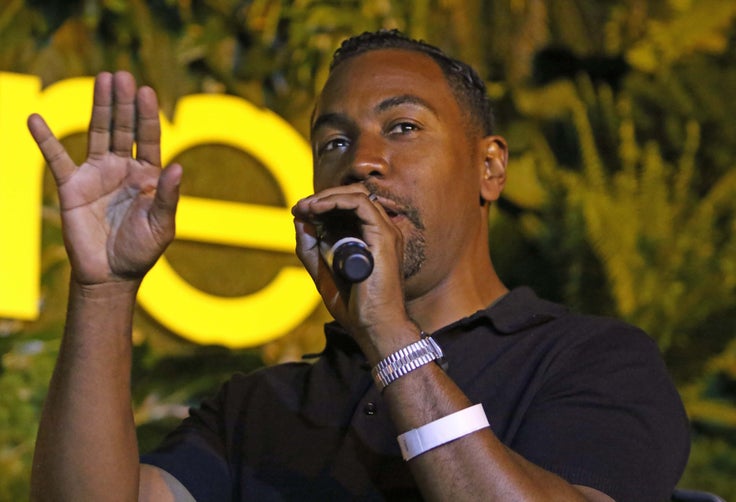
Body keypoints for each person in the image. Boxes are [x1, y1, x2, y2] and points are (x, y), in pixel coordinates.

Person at [28, 30, 689, 501]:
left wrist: (392, 341)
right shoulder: (264, 406)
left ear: (490, 168)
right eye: (334, 141)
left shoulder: (592, 361)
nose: (363, 160)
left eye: (403, 127)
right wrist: (104, 289)